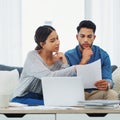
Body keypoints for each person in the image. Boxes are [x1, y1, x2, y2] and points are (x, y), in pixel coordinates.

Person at [11, 25, 77, 106]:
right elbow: (48, 76)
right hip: (22, 97)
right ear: (42, 44)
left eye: (57, 38)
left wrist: (65, 64)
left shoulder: (59, 61)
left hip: (42, 98)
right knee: (53, 104)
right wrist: (74, 69)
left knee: (61, 103)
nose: (57, 42)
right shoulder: (32, 56)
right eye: (52, 40)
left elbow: (60, 83)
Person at [65, 20, 118, 100]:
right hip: (75, 94)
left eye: (89, 36)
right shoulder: (68, 55)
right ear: (77, 37)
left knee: (112, 94)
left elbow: (108, 79)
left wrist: (107, 84)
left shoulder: (103, 55)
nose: (86, 40)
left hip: (96, 93)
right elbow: (67, 82)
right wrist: (84, 60)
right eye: (82, 36)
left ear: (94, 37)